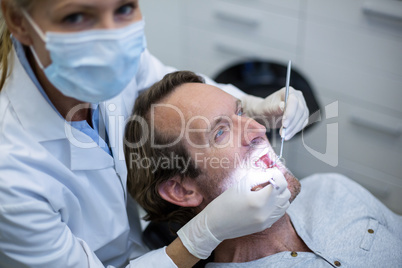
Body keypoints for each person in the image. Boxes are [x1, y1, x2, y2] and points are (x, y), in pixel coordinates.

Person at [0, 0, 310, 267]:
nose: (112, 37)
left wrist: (252, 105)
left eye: (124, 7)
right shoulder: (10, 174)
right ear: (17, 20)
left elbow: (180, 96)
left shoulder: (114, 56)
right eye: (75, 17)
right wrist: (204, 235)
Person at [124, 71, 402, 267]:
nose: (258, 129)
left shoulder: (331, 188)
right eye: (220, 132)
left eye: (242, 113)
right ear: (182, 189)